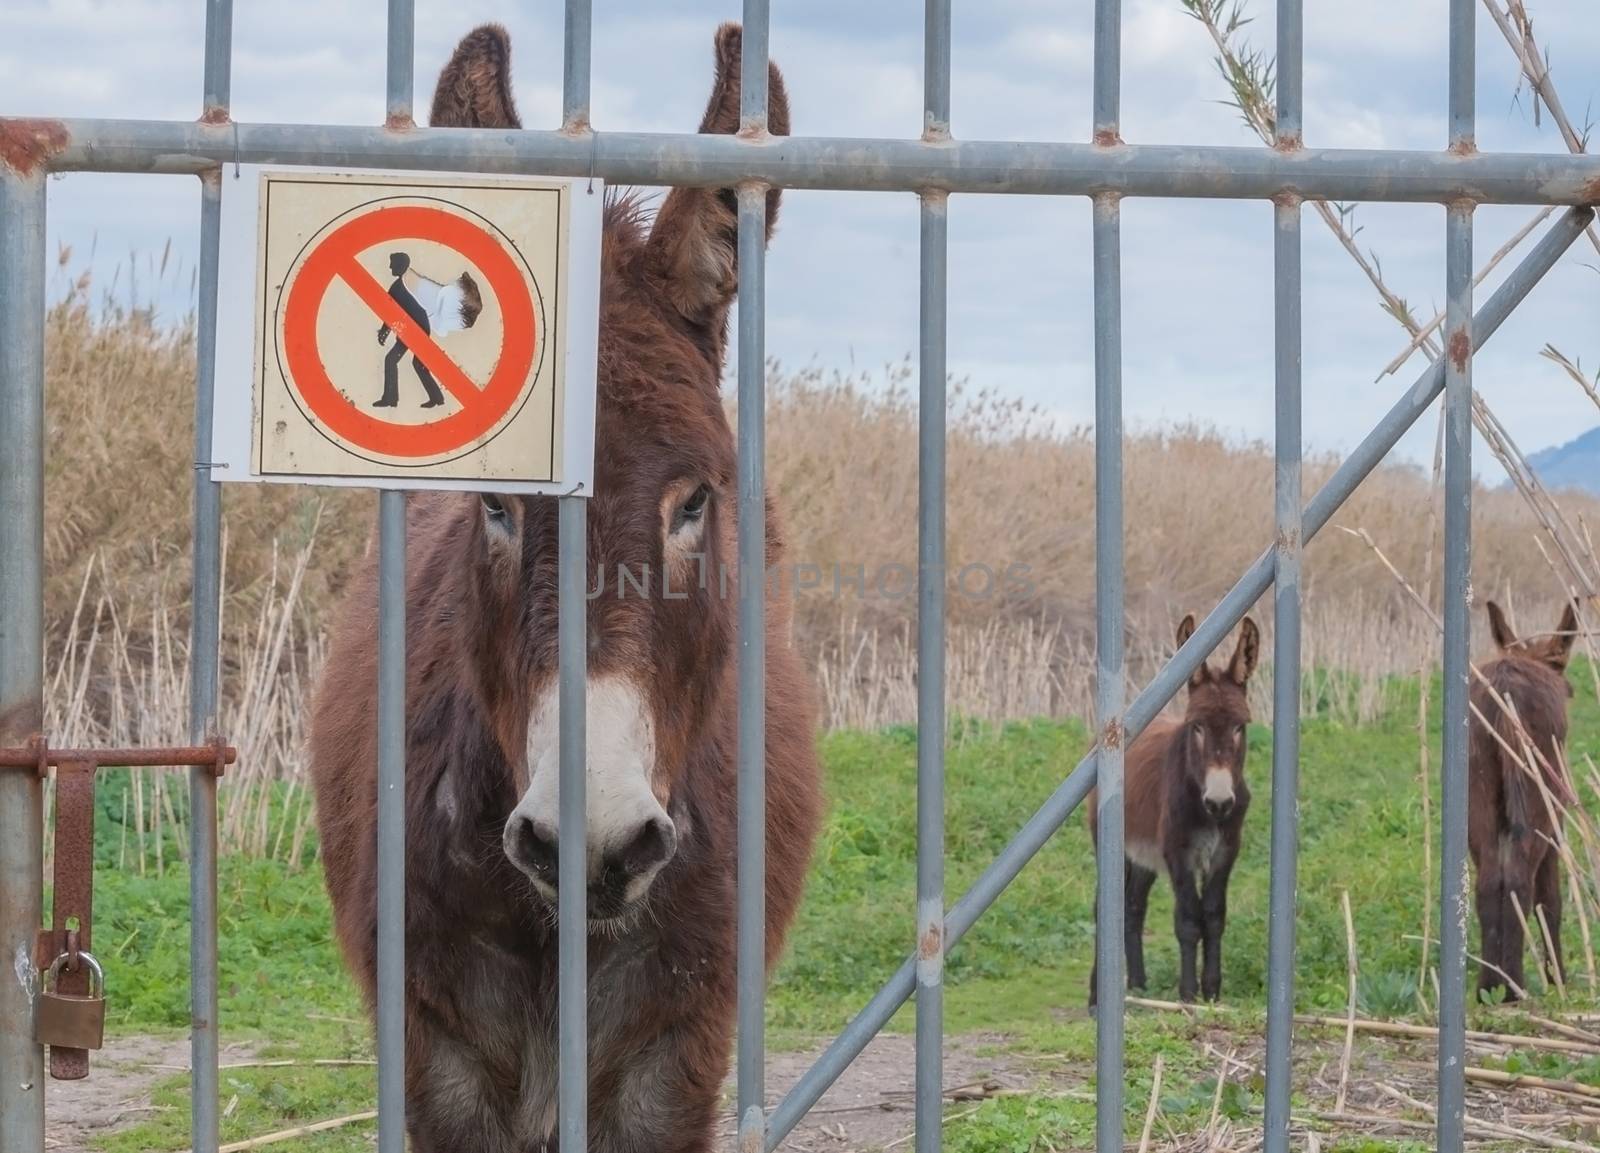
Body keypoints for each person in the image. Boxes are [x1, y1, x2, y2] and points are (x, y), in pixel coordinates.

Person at [375, 251, 446, 409]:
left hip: (415, 330)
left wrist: (383, 333)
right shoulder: (402, 285)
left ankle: (390, 399)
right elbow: (392, 314)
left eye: (392, 263)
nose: (390, 266)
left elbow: (390, 313)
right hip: (414, 329)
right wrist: (385, 332)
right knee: (417, 364)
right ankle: (437, 398)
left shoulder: (398, 287)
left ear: (400, 265)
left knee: (392, 360)